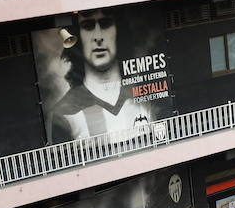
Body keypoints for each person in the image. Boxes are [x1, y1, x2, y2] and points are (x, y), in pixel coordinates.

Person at [48, 9, 158, 142]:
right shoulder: (64, 113)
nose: (98, 37)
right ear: (77, 36)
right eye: (88, 26)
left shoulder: (144, 96)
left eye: (105, 24)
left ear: (119, 31)